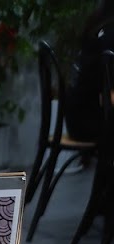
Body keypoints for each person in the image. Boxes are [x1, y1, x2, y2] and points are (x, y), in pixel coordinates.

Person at [66, 1, 114, 142]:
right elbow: (110, 97)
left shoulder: (97, 24)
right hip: (90, 124)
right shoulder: (110, 36)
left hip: (75, 119)